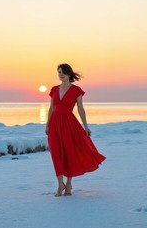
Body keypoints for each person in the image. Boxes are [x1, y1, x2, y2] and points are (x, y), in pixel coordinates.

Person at [45, 63, 106, 197]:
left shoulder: (76, 90)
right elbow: (51, 108)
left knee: (68, 153)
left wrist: (85, 126)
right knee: (56, 153)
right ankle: (60, 184)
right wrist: (47, 124)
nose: (61, 75)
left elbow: (80, 109)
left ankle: (69, 184)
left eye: (63, 72)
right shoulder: (54, 89)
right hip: (54, 125)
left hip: (69, 124)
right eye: (59, 72)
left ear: (69, 74)